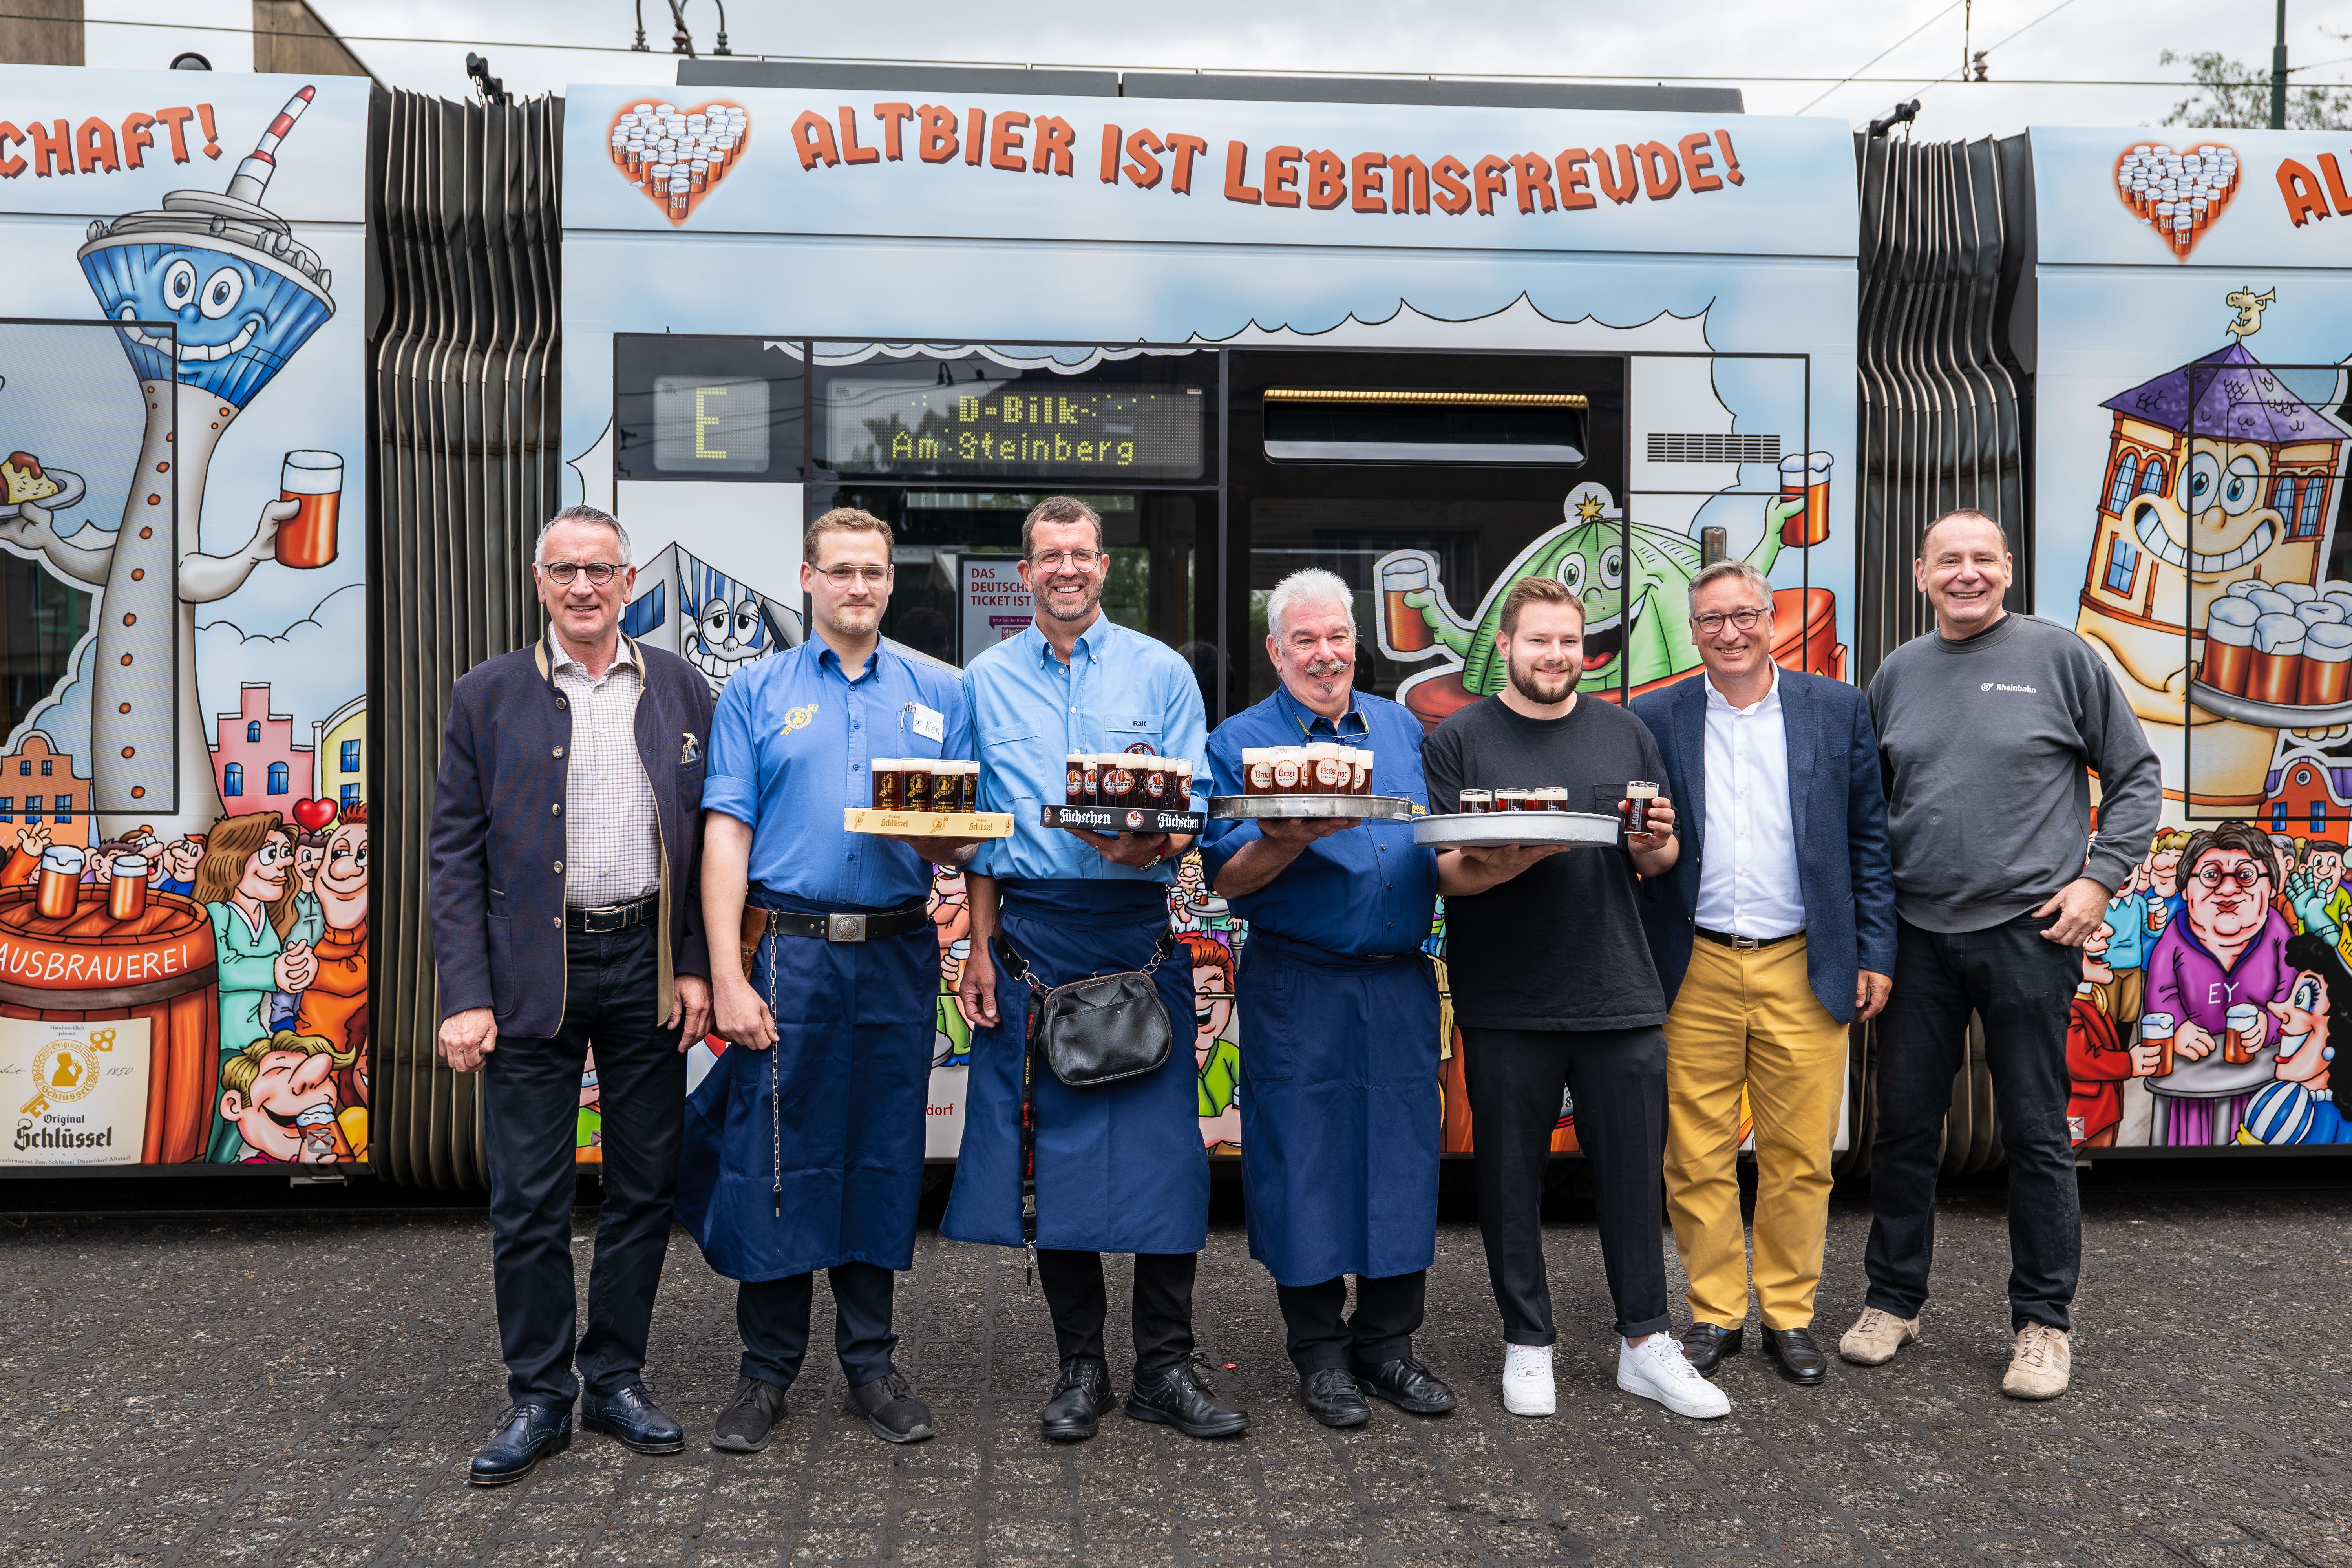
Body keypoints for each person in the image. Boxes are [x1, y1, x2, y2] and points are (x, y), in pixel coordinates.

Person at [678, 506, 980, 1453]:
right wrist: (727, 971)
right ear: (805, 579)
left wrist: (967, 922)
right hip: (789, 951)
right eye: (840, 571)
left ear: (892, 582)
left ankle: (871, 1366)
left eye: (874, 572)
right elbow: (724, 834)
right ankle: (763, 1374)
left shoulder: (942, 690)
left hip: (897, 951)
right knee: (776, 1157)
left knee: (880, 1152)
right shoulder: (754, 693)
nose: (858, 587)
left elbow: (969, 837)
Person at [945, 495, 1246, 1443]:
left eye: (1080, 553)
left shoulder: (1160, 672)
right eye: (1047, 555)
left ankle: (1165, 1366)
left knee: (1165, 1166)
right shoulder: (981, 681)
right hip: (1031, 941)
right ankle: (1082, 1367)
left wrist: (1146, 849)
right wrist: (980, 949)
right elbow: (983, 833)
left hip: (1137, 934)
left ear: (1103, 566)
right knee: (1054, 1164)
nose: (1065, 568)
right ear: (1024, 569)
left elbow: (1188, 807)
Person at [1843, 509, 2160, 1401]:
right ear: (1919, 573)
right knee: (1902, 1129)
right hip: (1916, 934)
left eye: (1981, 558)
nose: (1965, 573)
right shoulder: (1895, 673)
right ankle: (1892, 1300)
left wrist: (2097, 880)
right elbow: (1872, 807)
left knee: (2033, 1133)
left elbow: (2134, 775)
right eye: (1948, 559)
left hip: (2030, 934)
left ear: (2007, 570)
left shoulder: (2058, 658)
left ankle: (2040, 1323)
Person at [429, 504, 716, 1485]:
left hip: (645, 963)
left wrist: (693, 963)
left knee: (644, 1189)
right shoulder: (484, 694)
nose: (584, 587)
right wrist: (465, 992)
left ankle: (617, 1375)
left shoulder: (683, 686)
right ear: (540, 581)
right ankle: (540, 1394)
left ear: (628, 580)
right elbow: (453, 857)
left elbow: (705, 841)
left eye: (600, 570)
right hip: (526, 979)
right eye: (565, 571)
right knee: (528, 1198)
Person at [1422, 575, 1725, 1421]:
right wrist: (1514, 854)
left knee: (1633, 1178)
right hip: (1504, 993)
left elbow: (1657, 863)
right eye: (1537, 641)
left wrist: (1655, 844)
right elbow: (1444, 872)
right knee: (1509, 1180)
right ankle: (1528, 1342)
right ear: (1505, 648)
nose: (1555, 656)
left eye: (1568, 642)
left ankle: (1644, 1343)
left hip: (1619, 990)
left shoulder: (1625, 731)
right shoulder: (1459, 738)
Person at [1628, 559, 1895, 1388]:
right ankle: (1714, 1314)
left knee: (1800, 1155)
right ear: (1693, 630)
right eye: (1710, 620)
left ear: (1771, 618)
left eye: (1743, 615)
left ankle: (1787, 1314)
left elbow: (1868, 842)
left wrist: (1873, 951)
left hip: (1803, 958)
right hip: (1694, 959)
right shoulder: (1654, 714)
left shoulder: (1836, 708)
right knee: (1694, 1153)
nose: (1729, 633)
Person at [1200, 568, 1455, 1429]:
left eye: (1335, 636)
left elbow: (1439, 844)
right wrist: (1286, 839)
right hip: (1297, 984)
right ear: (1275, 651)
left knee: (1401, 1159)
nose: (1323, 654)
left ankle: (1388, 1346)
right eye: (1302, 640)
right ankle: (1319, 1356)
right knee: (1299, 1160)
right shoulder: (1240, 740)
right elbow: (1226, 880)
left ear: (1356, 641)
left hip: (1397, 983)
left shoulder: (1400, 728)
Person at [2142, 822, 2294, 1146]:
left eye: (2246, 876)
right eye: (2211, 876)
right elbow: (2160, 992)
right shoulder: (2173, 936)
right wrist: (2178, 1029)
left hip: (2260, 1075)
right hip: (2192, 1076)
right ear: (2186, 890)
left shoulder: (2279, 934)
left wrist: (2267, 1026)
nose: (2227, 890)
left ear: (2270, 887)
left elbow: (2291, 995)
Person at [193, 811, 313, 1162]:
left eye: (285, 853)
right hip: (219, 1045)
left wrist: (297, 971)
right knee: (216, 1120)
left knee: (241, 1123)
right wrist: (275, 971)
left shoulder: (270, 921)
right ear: (235, 861)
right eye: (271, 853)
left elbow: (276, 984)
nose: (285, 863)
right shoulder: (218, 913)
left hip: (254, 1045)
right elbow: (223, 969)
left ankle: (225, 1168)